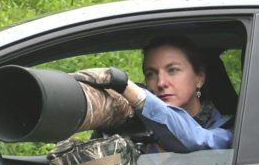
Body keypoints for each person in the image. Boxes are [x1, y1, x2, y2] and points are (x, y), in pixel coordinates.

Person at [71, 36, 233, 153]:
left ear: (199, 78)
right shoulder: (129, 126)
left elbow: (194, 140)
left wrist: (132, 91)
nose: (161, 82)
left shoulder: (227, 131)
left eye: (173, 70)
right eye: (151, 74)